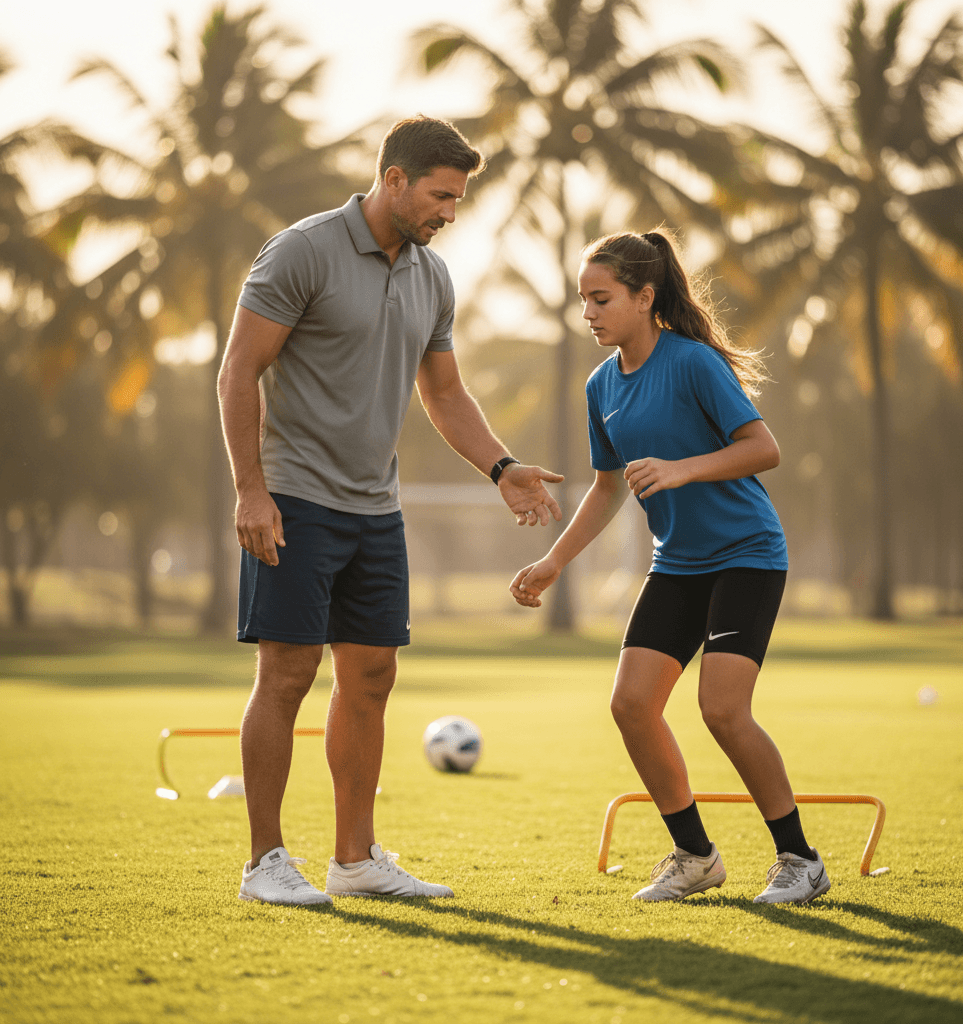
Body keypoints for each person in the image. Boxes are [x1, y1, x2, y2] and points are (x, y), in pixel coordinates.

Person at [218, 115, 563, 906]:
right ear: (395, 180)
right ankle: (264, 862)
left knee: (371, 675)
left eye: (459, 200)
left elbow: (442, 392)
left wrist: (502, 468)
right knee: (288, 673)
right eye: (441, 196)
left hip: (377, 509)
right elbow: (239, 371)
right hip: (295, 499)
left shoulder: (431, 277)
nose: (449, 213)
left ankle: (355, 859)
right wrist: (250, 487)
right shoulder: (302, 250)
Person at [510, 230, 829, 905]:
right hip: (677, 564)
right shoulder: (601, 386)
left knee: (722, 710)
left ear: (644, 297)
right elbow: (606, 489)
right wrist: (553, 562)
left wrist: (683, 469)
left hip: (747, 554)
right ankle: (695, 855)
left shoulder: (692, 364)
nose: (589, 314)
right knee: (630, 704)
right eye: (583, 301)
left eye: (601, 299)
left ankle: (800, 860)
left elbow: (763, 448)